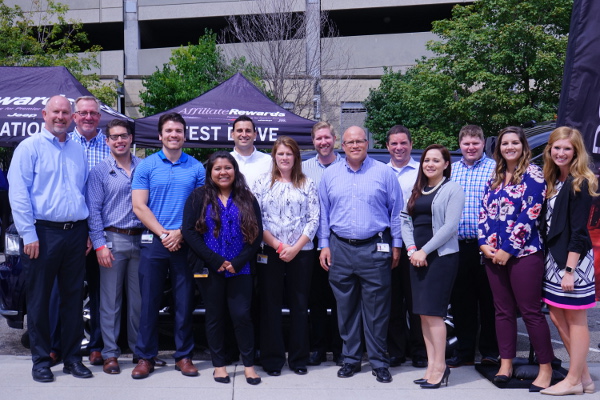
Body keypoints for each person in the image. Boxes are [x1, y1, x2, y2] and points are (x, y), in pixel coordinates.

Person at [8, 95, 92, 382]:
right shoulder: (28, 148)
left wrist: (87, 233)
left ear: (72, 117)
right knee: (40, 301)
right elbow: (18, 193)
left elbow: (82, 192)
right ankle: (41, 361)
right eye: (55, 112)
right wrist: (27, 234)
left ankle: (71, 358)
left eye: (65, 113)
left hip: (75, 232)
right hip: (41, 234)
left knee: (73, 300)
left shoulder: (77, 150)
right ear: (44, 114)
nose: (60, 117)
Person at [319, 126, 402, 384]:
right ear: (341, 145)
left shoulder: (384, 173)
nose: (354, 145)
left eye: (359, 141)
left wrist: (397, 244)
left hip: (375, 246)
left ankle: (378, 361)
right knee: (345, 308)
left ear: (367, 143)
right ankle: (351, 359)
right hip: (340, 247)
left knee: (376, 309)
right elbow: (324, 212)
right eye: (349, 142)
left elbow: (397, 211)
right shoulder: (330, 175)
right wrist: (324, 244)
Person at [478, 126, 554, 391]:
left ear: (523, 146)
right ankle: (506, 363)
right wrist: (483, 244)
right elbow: (484, 213)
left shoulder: (534, 175)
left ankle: (545, 368)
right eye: (504, 143)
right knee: (502, 312)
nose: (509, 147)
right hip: (492, 255)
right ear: (498, 148)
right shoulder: (496, 176)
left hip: (523, 255)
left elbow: (529, 215)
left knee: (531, 312)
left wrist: (508, 249)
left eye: (514, 143)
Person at [131, 112, 206, 379]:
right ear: (160, 135)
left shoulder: (197, 168)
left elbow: (201, 209)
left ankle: (184, 356)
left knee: (184, 303)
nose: (174, 135)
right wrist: (165, 234)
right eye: (169, 131)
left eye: (178, 131)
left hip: (185, 243)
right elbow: (139, 206)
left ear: (184, 136)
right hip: (154, 242)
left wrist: (180, 234)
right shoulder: (147, 166)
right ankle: (145, 356)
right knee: (149, 302)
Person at [182, 151, 263, 385]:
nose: (223, 172)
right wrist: (216, 260)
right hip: (210, 269)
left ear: (235, 171)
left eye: (227, 167)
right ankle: (219, 366)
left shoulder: (247, 198)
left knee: (242, 316)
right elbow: (189, 231)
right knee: (215, 317)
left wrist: (237, 262)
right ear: (210, 172)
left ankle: (248, 366)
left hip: (241, 268)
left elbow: (256, 235)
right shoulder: (198, 197)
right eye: (217, 168)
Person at [253, 136, 319, 376]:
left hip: (301, 254)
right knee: (270, 307)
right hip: (270, 253)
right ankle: (272, 360)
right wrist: (279, 247)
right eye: (280, 154)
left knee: (300, 306)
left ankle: (299, 359)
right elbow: (256, 220)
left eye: (289, 154)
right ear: (274, 157)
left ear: (296, 157)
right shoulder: (262, 183)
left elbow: (314, 219)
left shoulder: (307, 184)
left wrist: (295, 247)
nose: (284, 158)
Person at [400, 144, 464, 389]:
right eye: (427, 160)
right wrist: (411, 250)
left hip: (440, 259)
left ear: (446, 164)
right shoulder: (418, 190)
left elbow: (449, 228)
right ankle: (431, 366)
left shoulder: (453, 189)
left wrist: (424, 250)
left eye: (436, 160)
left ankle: (440, 367)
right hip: (417, 258)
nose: (430, 164)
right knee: (424, 316)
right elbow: (405, 219)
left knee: (435, 315)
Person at [539, 127, 597, 396]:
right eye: (557, 147)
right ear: (549, 149)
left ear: (576, 152)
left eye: (567, 148)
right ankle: (584, 377)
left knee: (576, 319)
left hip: (573, 262)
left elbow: (579, 232)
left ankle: (573, 380)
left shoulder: (581, 182)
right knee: (556, 313)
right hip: (554, 260)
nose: (561, 153)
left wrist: (570, 270)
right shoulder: (554, 180)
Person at [86, 119, 144, 375]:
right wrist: (99, 244)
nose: (119, 140)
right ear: (107, 141)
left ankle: (139, 351)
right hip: (113, 239)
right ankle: (110, 354)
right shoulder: (100, 171)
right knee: (111, 302)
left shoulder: (144, 167)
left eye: (124, 136)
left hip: (142, 240)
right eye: (114, 137)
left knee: (138, 302)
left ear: (131, 138)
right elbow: (94, 211)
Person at [447, 125, 499, 368]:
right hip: (458, 246)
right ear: (460, 145)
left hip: (487, 246)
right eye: (466, 143)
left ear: (482, 145)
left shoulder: (494, 169)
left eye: (475, 143)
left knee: (489, 301)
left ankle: (489, 352)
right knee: (461, 301)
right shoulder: (451, 170)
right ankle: (464, 351)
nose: (470, 148)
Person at [67, 96, 110, 366]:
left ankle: (96, 345)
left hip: (101, 229)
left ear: (99, 116)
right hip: (69, 228)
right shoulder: (63, 143)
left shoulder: (111, 143)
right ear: (75, 117)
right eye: (82, 113)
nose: (88, 117)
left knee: (98, 290)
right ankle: (60, 344)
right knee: (66, 290)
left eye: (93, 113)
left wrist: (94, 234)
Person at [385, 125, 427, 369]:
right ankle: (395, 351)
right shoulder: (380, 171)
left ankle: (420, 350)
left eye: (403, 143)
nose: (399, 148)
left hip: (417, 246)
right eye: (394, 144)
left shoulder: (422, 172)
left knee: (416, 302)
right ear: (388, 146)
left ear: (411, 145)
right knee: (392, 303)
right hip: (388, 245)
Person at [302, 121, 343, 366]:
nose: (323, 142)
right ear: (313, 141)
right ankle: (317, 348)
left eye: (327, 138)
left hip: (339, 240)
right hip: (311, 239)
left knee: (341, 297)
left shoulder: (347, 165)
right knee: (315, 298)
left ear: (334, 139)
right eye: (318, 139)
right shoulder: (304, 168)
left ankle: (340, 349)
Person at [230, 115, 271, 189]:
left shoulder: (268, 161)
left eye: (248, 131)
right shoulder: (225, 161)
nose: (244, 135)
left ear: (255, 134)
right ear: (232, 134)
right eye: (239, 131)